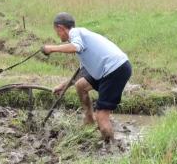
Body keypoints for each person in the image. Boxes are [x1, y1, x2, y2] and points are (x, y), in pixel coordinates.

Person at [41, 12, 132, 141]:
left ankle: (111, 148)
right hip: (110, 68)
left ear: (61, 28)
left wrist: (52, 48)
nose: (57, 35)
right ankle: (89, 119)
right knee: (81, 85)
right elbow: (82, 72)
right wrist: (63, 86)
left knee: (102, 116)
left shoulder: (75, 33)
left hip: (114, 69)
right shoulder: (81, 37)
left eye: (57, 31)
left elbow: (76, 47)